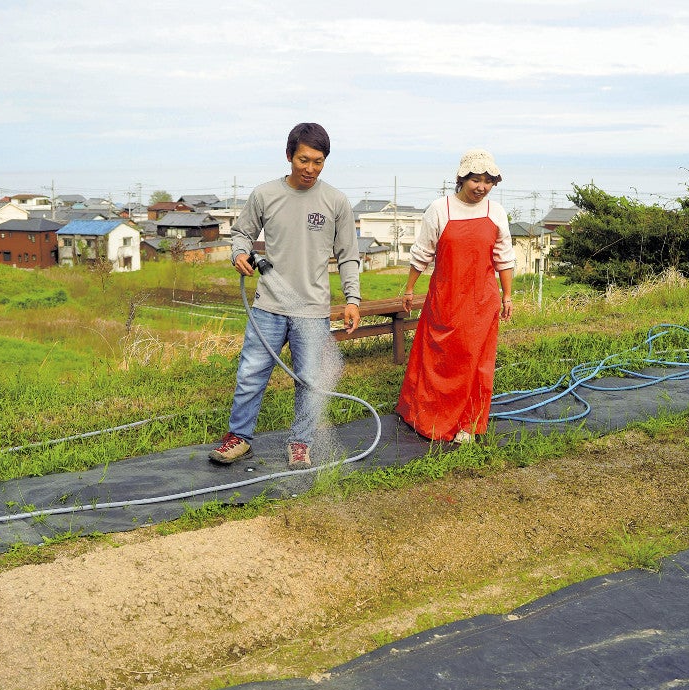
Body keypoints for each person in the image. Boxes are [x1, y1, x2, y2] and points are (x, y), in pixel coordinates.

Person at [208, 122, 362, 468]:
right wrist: (238, 254)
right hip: (269, 306)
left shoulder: (335, 201)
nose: (310, 169)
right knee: (251, 374)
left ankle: (300, 443)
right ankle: (239, 438)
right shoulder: (265, 195)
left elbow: (349, 254)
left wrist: (353, 300)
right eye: (304, 160)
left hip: (312, 309)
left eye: (318, 161)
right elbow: (242, 233)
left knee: (309, 380)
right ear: (289, 155)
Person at [395, 148, 515, 444]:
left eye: (488, 181)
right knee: (441, 360)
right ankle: (431, 418)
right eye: (476, 179)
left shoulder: (495, 212)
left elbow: (504, 257)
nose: (482, 187)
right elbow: (422, 252)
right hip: (445, 299)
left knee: (476, 363)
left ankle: (468, 422)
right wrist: (409, 288)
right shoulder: (440, 209)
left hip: (482, 301)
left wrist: (508, 296)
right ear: (462, 179)